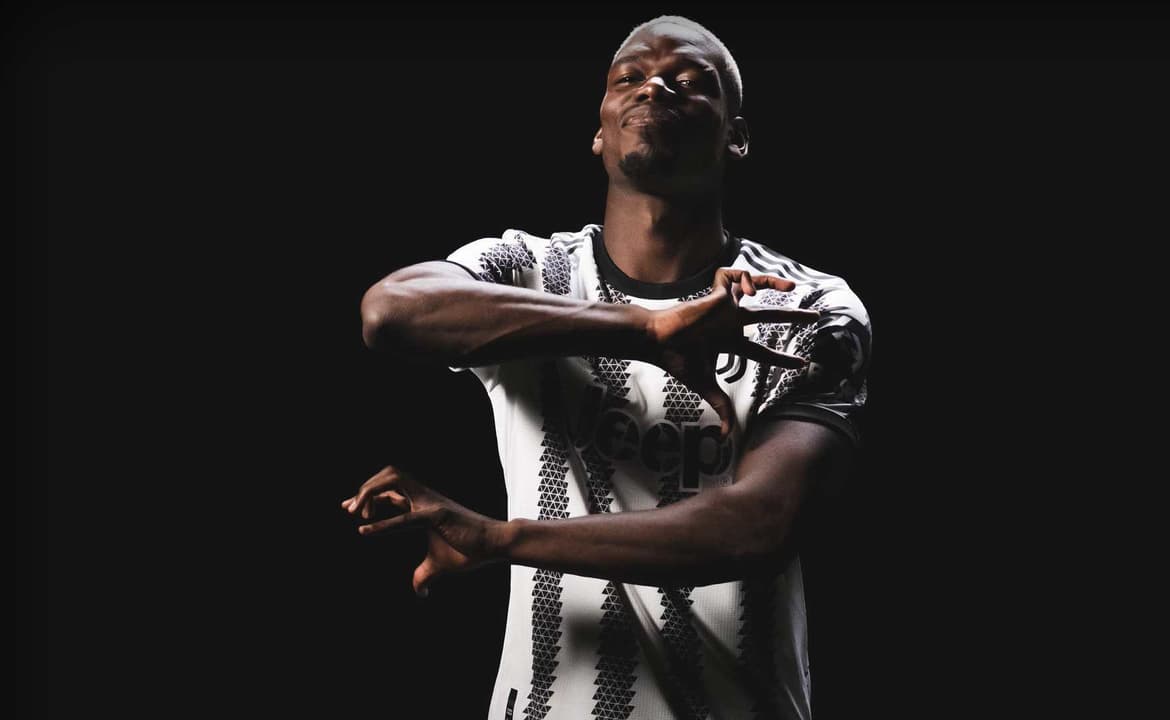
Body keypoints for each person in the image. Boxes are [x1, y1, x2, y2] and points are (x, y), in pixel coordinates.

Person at [342, 15, 871, 720]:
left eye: (690, 80)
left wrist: (503, 540)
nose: (654, 86)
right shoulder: (528, 271)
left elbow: (760, 522)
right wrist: (645, 330)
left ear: (737, 136)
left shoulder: (806, 306)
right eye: (630, 77)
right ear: (599, 131)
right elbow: (390, 313)